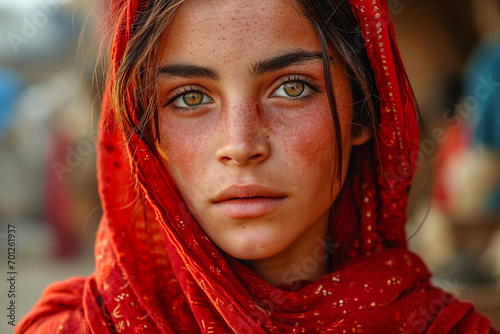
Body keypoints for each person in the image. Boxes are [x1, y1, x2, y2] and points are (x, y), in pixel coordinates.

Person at [17, 0, 498, 332]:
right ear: (145, 133)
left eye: (291, 88)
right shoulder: (81, 327)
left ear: (365, 110)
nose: (241, 145)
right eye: (189, 98)